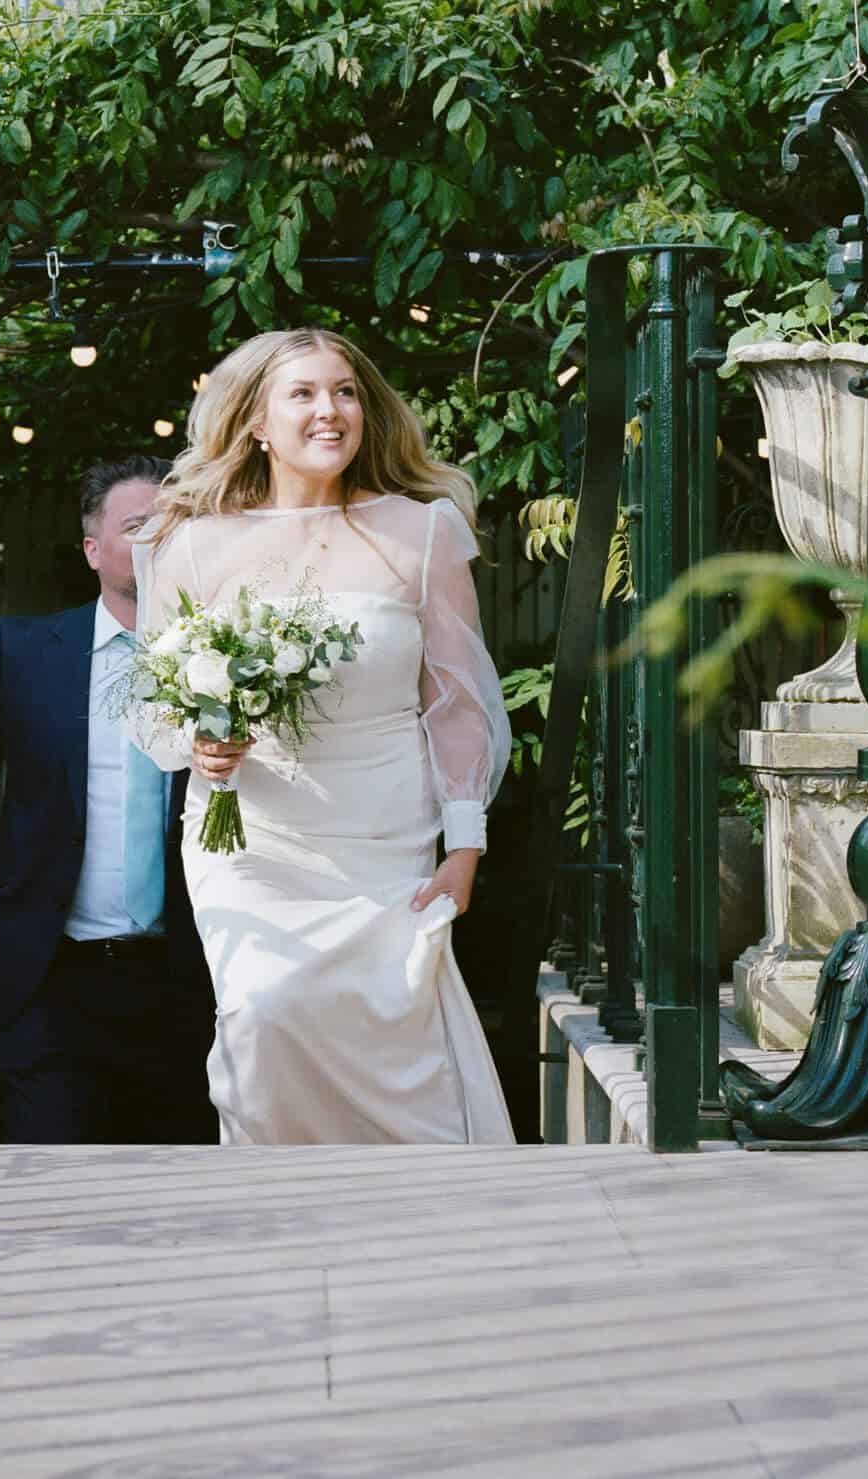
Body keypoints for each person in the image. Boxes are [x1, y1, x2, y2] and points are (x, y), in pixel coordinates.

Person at [134, 329, 515, 1145]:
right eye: (303, 394)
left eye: (344, 391)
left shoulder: (424, 533)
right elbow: (154, 701)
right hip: (252, 841)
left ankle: (417, 1222)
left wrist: (465, 847)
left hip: (386, 835)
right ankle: (273, 1219)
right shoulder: (192, 542)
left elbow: (456, 703)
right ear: (257, 424)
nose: (329, 411)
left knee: (393, 1041)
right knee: (261, 1013)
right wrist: (201, 742)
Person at [0, 455, 216, 1145]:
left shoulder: (224, 656)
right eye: (136, 525)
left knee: (175, 1201)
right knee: (49, 1191)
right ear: (92, 548)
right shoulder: (27, 651)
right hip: (49, 979)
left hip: (182, 982)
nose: (154, 541)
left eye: (170, 525)